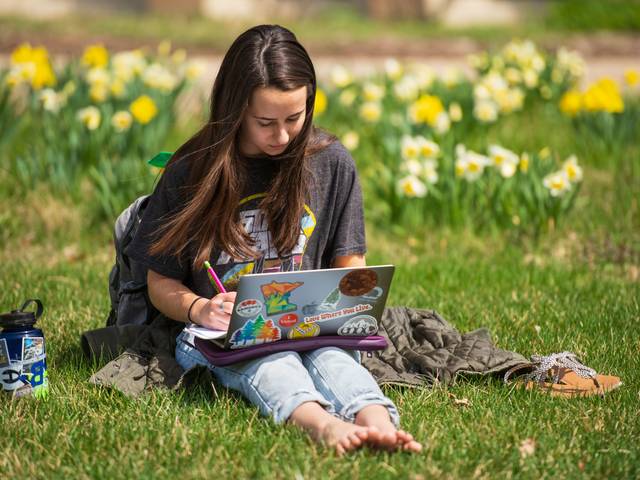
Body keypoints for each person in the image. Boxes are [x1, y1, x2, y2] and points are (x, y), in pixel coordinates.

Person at [126, 24, 422, 455]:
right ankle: (320, 425)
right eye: (265, 122)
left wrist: (349, 307)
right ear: (234, 110)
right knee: (271, 363)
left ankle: (377, 421)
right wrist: (201, 307)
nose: (282, 136)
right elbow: (160, 284)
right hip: (218, 337)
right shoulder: (193, 169)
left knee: (335, 359)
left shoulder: (330, 162)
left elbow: (350, 267)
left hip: (310, 328)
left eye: (294, 118)